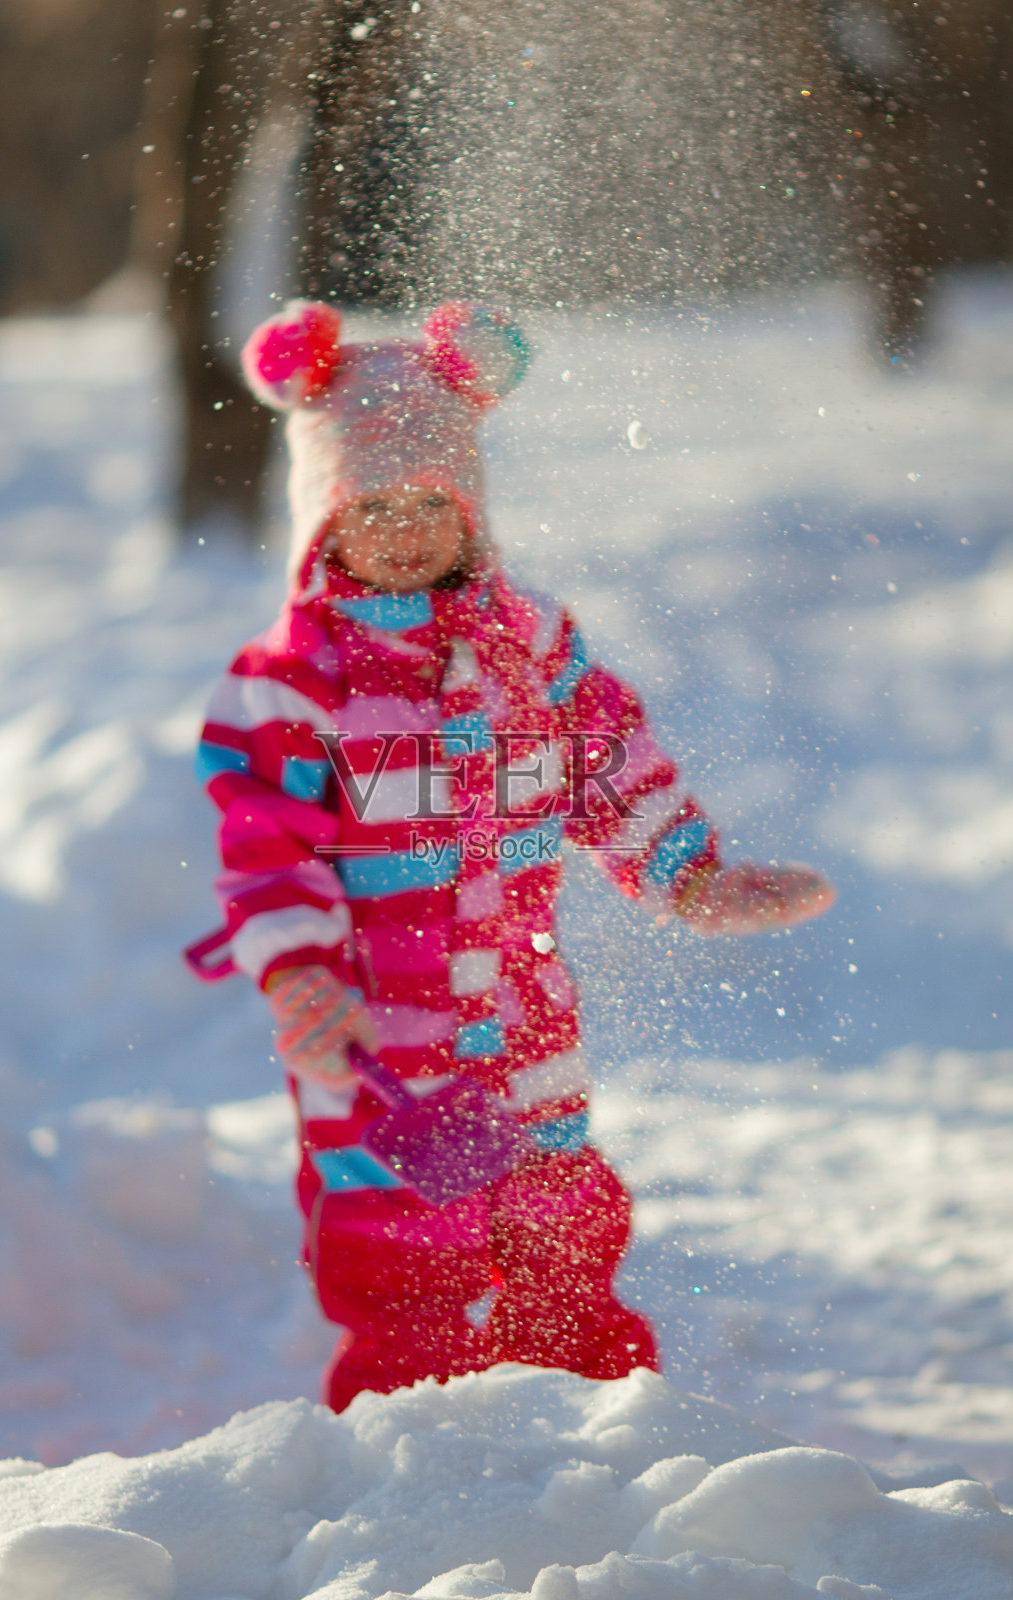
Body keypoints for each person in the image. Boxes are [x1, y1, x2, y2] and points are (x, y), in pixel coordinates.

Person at [187, 300, 834, 1412]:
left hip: (525, 1009)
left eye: (430, 505)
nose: (403, 531)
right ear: (321, 522)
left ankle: (588, 1414)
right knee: (406, 1248)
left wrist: (689, 874)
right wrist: (298, 970)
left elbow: (607, 765)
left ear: (470, 511)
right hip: (380, 1034)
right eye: (371, 507)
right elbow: (264, 843)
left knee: (561, 1213)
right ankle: (411, 1437)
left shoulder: (529, 646)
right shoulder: (295, 683)